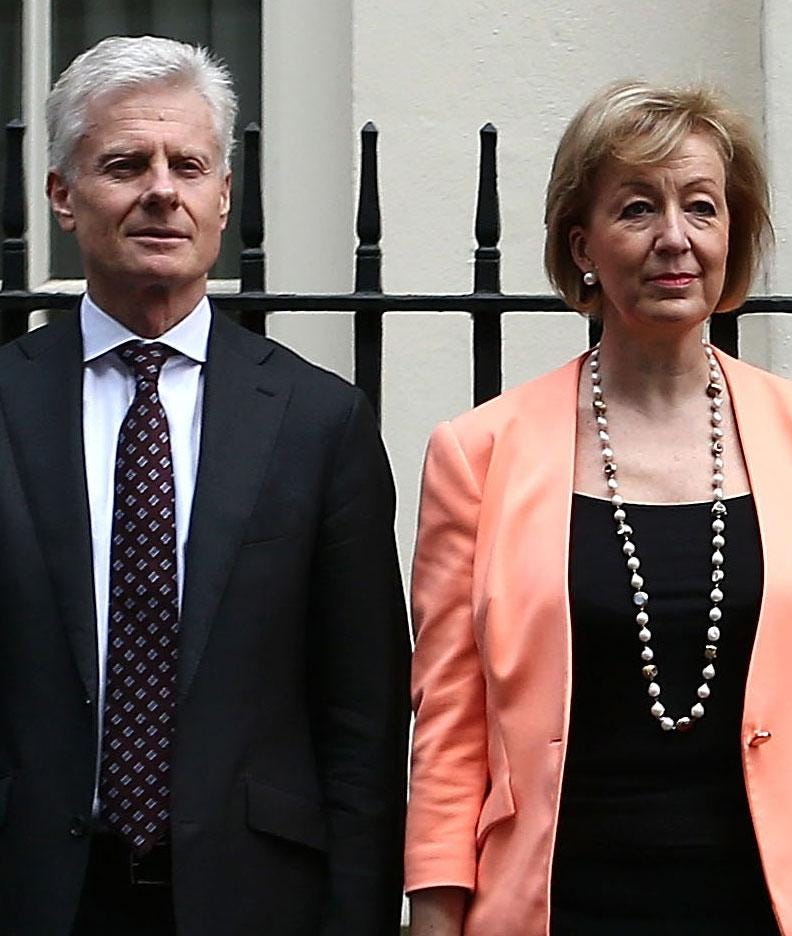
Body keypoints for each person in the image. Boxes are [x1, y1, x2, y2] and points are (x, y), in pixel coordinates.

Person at [404, 81, 792, 936]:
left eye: (702, 208)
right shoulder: (477, 454)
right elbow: (450, 737)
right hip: (564, 906)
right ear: (583, 244)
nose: (674, 239)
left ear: (732, 237)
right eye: (638, 209)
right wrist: (433, 922)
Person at [0, 36, 410, 935]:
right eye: (123, 164)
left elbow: (364, 725)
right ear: (63, 197)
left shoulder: (317, 422)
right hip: (35, 892)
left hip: (258, 899)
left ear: (224, 196)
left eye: (189, 164)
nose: (161, 189)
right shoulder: (8, 401)